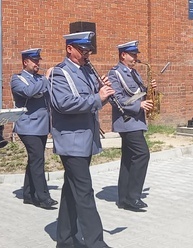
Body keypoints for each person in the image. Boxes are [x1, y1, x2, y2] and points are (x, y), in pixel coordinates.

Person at [49, 31, 113, 248]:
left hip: (85, 139)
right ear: (70, 49)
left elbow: (92, 103)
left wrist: (102, 92)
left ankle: (65, 240)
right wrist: (98, 97)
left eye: (88, 50)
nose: (87, 54)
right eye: (82, 50)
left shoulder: (87, 71)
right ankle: (96, 242)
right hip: (71, 142)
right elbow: (63, 104)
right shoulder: (60, 73)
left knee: (71, 190)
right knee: (85, 191)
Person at [107, 40, 156, 211]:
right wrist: (139, 105)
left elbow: (138, 93)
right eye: (133, 55)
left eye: (136, 55)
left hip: (136, 121)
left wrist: (150, 89)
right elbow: (117, 99)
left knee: (128, 159)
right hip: (127, 121)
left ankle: (124, 199)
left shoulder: (134, 73)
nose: (136, 58)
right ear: (123, 55)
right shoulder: (115, 73)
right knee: (142, 154)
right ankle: (133, 196)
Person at [11, 48, 56, 209]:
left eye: (38, 60)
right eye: (34, 61)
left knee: (34, 159)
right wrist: (46, 79)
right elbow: (29, 92)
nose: (38, 63)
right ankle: (43, 197)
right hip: (27, 126)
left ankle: (28, 194)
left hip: (42, 126)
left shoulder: (38, 78)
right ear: (25, 62)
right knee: (38, 159)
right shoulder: (17, 79)